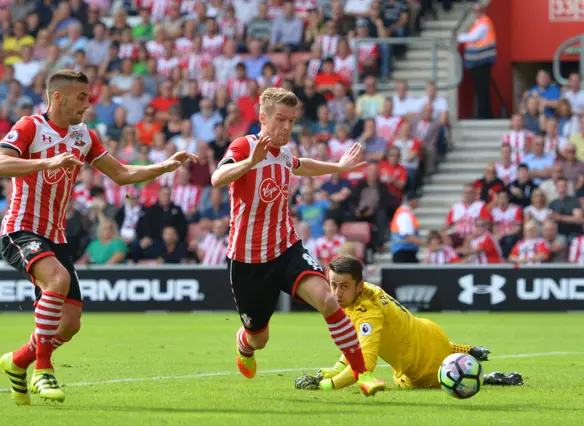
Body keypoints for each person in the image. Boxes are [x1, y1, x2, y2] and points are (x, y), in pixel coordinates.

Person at [0, 70, 197, 405]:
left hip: (55, 237)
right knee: (55, 279)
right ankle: (43, 370)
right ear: (58, 97)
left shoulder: (83, 136)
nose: (87, 104)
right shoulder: (30, 126)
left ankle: (17, 362)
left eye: (89, 97)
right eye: (81, 97)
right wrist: (49, 161)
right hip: (20, 228)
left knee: (70, 324)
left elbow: (122, 174)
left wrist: (163, 166)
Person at [210, 87, 381, 396]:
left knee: (328, 300)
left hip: (285, 248)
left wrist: (338, 168)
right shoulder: (244, 146)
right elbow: (217, 178)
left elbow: (302, 165)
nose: (287, 127)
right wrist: (249, 163)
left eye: (291, 121)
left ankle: (362, 374)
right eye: (280, 120)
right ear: (263, 118)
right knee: (258, 338)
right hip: (247, 261)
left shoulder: (284, 151)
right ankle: (244, 345)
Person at [293, 256, 522, 392]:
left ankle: (485, 378)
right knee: (407, 338)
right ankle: (465, 350)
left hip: (425, 371)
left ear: (358, 286)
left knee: (401, 380)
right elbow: (356, 343)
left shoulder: (367, 312)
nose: (336, 292)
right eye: (333, 284)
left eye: (343, 286)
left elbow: (364, 364)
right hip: (431, 333)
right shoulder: (369, 290)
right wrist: (333, 370)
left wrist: (326, 385)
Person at [456, 3, 496, 119]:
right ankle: (484, 113)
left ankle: (484, 114)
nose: (475, 13)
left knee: (482, 89)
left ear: (482, 11)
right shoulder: (478, 23)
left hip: (483, 61)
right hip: (478, 61)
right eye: (474, 11)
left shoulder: (484, 22)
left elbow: (474, 37)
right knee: (480, 89)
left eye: (477, 10)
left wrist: (459, 37)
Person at [390, 192, 424, 263]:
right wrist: (427, 245)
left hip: (405, 252)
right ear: (411, 201)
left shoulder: (405, 212)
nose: (418, 202)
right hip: (404, 253)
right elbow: (408, 236)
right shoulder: (405, 214)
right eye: (416, 200)